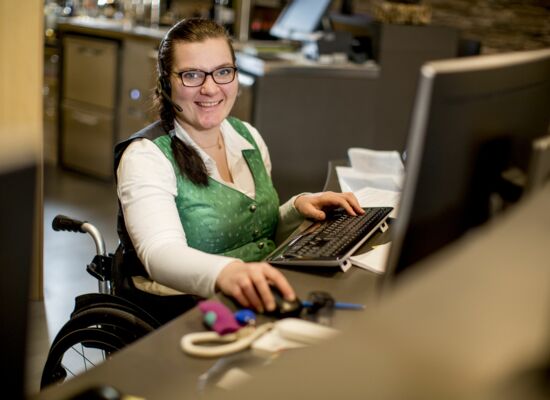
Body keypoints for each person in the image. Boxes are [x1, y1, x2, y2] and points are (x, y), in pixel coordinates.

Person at [115, 18, 364, 314]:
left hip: (257, 294)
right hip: (183, 308)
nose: (210, 89)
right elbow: (160, 255)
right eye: (192, 75)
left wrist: (298, 208)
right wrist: (228, 273)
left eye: (222, 72)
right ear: (166, 83)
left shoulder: (248, 138)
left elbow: (259, 231)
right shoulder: (146, 157)